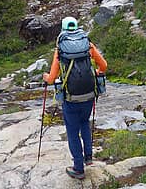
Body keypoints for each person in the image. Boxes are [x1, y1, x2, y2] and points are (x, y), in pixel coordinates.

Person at [42, 16, 107, 180]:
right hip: (89, 95)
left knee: (72, 131)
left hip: (71, 98)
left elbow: (51, 79)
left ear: (63, 29)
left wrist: (46, 77)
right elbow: (104, 66)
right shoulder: (88, 45)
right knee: (85, 123)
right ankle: (88, 158)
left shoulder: (60, 49)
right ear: (77, 27)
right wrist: (96, 74)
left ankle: (78, 169)